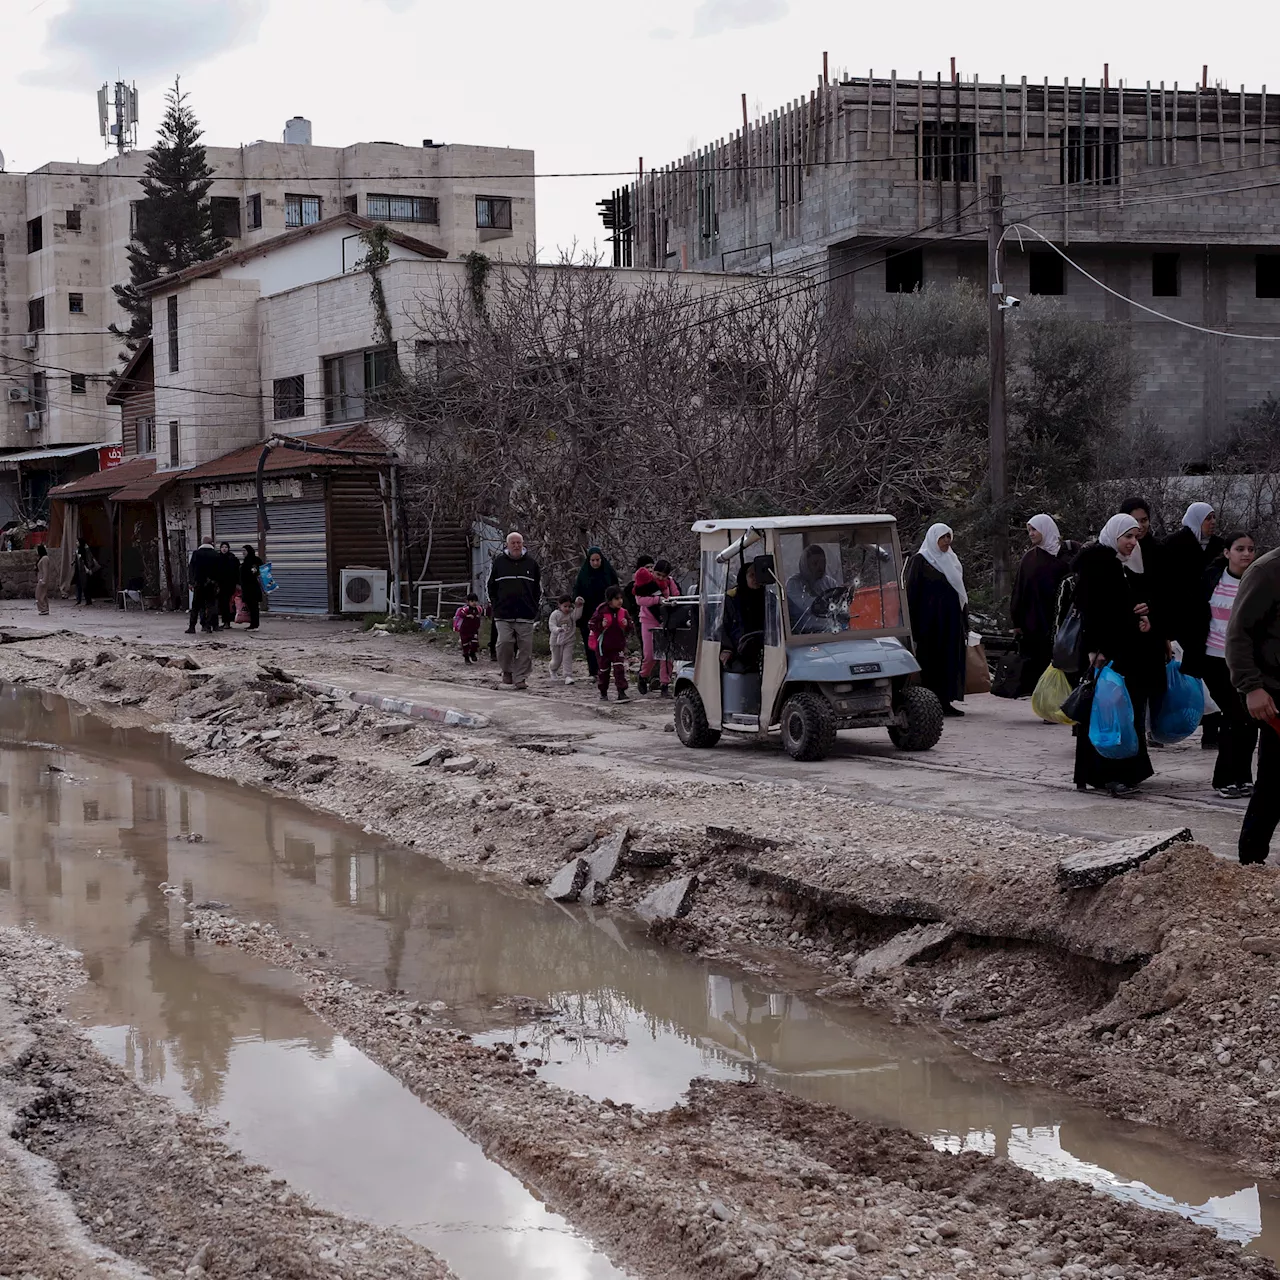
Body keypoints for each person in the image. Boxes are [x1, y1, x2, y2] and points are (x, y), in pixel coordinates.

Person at [1070, 514, 1164, 797]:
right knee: (1111, 714)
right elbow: (1090, 611)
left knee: (1118, 712)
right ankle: (1110, 775)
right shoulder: (1099, 565)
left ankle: (1114, 773)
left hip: (1125, 651)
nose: (1133, 543)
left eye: (1136, 537)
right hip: (1107, 652)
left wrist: (1144, 618)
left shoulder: (1118, 565)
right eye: (1128, 537)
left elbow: (1121, 606)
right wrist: (1092, 650)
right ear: (1114, 535)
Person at [1182, 531, 1258, 798]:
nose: (1246, 554)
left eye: (1250, 549)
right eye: (1240, 549)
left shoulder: (1258, 581)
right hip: (1214, 659)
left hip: (1247, 662)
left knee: (1250, 719)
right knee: (1236, 717)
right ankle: (1224, 779)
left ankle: (1243, 777)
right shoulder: (1211, 578)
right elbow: (1192, 613)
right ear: (1227, 553)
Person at [1227, 540, 1280, 864]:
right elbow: (1238, 634)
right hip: (1275, 694)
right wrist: (1252, 688)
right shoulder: (1267, 571)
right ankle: (1251, 864)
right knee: (1274, 786)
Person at [1163, 502, 1227, 746]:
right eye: (1207, 518)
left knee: (1212, 676)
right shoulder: (1174, 544)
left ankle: (1211, 733)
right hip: (1181, 620)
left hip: (1211, 621)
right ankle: (1164, 727)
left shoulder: (1220, 547)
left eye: (1214, 517)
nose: (1212, 522)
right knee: (1179, 676)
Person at [903, 524, 969, 717]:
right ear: (933, 538)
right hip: (930, 623)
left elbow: (961, 593)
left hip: (951, 621)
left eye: (949, 536)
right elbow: (911, 593)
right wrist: (912, 626)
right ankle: (930, 703)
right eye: (943, 537)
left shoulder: (952, 560)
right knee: (932, 661)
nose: (947, 541)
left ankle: (946, 701)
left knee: (950, 659)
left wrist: (964, 621)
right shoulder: (921, 561)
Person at [1010, 514, 1071, 693]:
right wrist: (1017, 621)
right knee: (1039, 664)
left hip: (1058, 622)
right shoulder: (1030, 558)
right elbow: (1019, 590)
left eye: (1034, 529)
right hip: (1034, 623)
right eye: (1029, 530)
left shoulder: (1065, 556)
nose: (1031, 533)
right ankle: (1044, 704)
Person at [486, 531, 541, 690]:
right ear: (507, 545)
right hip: (503, 614)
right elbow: (489, 586)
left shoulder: (531, 564)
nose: (516, 546)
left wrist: (534, 607)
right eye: (513, 543)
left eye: (519, 543)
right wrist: (495, 606)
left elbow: (539, 588)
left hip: (525, 614)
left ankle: (521, 677)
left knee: (525, 648)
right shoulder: (498, 563)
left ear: (523, 544)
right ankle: (507, 671)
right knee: (504, 643)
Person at [633, 557, 678, 696]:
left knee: (667, 654)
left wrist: (671, 602)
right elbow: (640, 600)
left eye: (663, 576)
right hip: (648, 620)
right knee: (650, 654)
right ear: (653, 572)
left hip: (666, 620)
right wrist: (657, 600)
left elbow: (676, 595)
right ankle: (643, 676)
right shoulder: (646, 583)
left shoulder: (670, 583)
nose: (660, 578)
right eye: (658, 574)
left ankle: (665, 684)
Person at [572, 547, 619, 679]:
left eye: (597, 560)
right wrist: (577, 600)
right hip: (589, 615)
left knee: (607, 643)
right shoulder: (583, 574)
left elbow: (615, 590)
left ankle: (606, 670)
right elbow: (577, 590)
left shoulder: (608, 572)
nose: (595, 563)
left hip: (606, 612)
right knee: (591, 643)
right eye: (592, 560)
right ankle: (594, 671)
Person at [721, 561, 766, 673]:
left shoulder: (769, 598)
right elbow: (722, 625)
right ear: (743, 577)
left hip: (765, 647)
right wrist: (726, 648)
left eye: (758, 575)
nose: (756, 578)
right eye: (752, 575)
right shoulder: (732, 598)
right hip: (737, 650)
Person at [785, 545, 842, 635]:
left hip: (831, 632)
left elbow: (840, 606)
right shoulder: (794, 583)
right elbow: (811, 606)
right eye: (815, 563)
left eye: (822, 563)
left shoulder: (830, 582)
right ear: (805, 565)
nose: (820, 567)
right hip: (802, 635)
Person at [589, 585, 631, 702]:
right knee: (603, 671)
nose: (620, 601)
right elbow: (591, 625)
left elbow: (630, 627)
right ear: (609, 600)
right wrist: (600, 625)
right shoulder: (601, 611)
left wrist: (626, 624)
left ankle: (621, 692)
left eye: (621, 598)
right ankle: (603, 692)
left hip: (618, 646)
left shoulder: (623, 612)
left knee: (619, 669)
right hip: (603, 647)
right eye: (616, 599)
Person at [186, 536, 221, 634]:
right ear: (211, 543)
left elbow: (191, 569)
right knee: (211, 605)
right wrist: (216, 583)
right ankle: (208, 626)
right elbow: (218, 571)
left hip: (199, 584)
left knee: (196, 606)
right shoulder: (215, 554)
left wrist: (191, 582)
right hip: (211, 584)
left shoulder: (196, 554)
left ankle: (192, 627)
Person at [548, 594, 582, 685]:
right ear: (559, 605)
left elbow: (577, 616)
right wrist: (557, 630)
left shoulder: (571, 613)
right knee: (557, 660)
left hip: (568, 640)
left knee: (567, 658)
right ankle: (553, 669)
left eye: (569, 606)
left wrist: (579, 606)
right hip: (556, 641)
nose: (567, 608)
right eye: (565, 606)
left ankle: (568, 675)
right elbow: (551, 625)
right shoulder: (555, 614)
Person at [453, 592, 484, 664]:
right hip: (464, 630)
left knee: (474, 643)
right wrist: (467, 616)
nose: (474, 603)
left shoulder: (478, 609)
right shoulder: (465, 609)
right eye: (472, 601)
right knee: (465, 644)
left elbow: (483, 613)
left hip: (474, 630)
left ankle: (472, 653)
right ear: (468, 602)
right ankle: (466, 657)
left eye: (475, 601)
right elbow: (460, 613)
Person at [215, 541, 240, 629]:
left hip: (230, 584)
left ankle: (228, 622)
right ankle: (225, 621)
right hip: (220, 584)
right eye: (222, 547)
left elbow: (237, 572)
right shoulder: (217, 558)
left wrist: (237, 583)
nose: (224, 549)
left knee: (228, 603)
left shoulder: (232, 558)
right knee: (222, 604)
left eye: (226, 547)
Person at [239, 545, 263, 631]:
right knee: (251, 606)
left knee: (254, 607)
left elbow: (260, 570)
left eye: (245, 550)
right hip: (247, 587)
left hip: (253, 587)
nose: (243, 552)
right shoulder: (246, 561)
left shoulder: (255, 560)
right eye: (242, 551)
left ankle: (255, 625)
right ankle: (253, 624)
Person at [74, 538, 99, 606]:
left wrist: (88, 569)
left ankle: (88, 600)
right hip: (79, 571)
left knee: (85, 586)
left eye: (77, 541)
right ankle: (79, 600)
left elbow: (86, 560)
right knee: (79, 585)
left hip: (85, 571)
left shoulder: (85, 550)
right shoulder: (78, 550)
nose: (76, 543)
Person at [35, 544, 50, 616]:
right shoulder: (42, 558)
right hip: (41, 578)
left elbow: (45, 570)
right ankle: (45, 608)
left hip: (42, 579)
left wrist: (44, 580)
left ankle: (43, 608)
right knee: (43, 594)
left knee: (39, 595)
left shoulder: (45, 558)